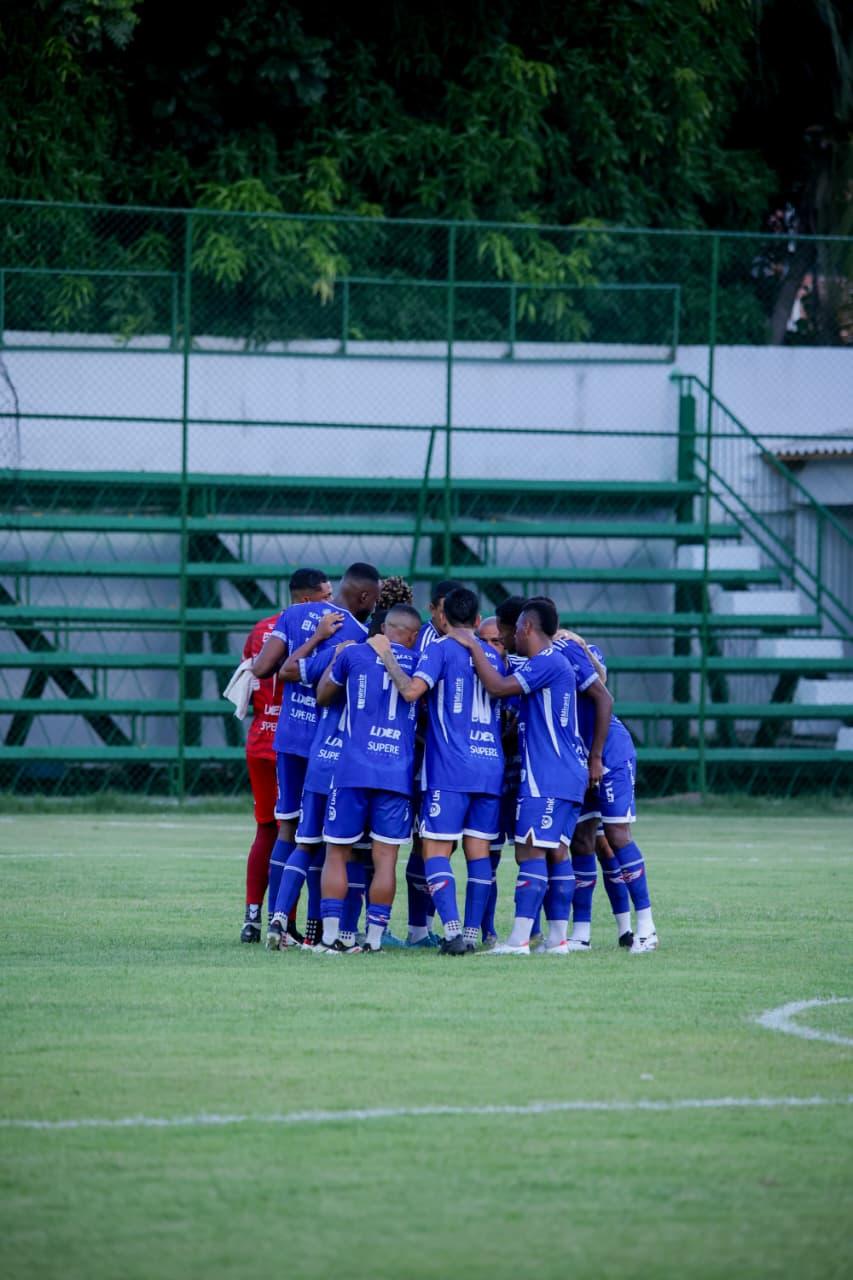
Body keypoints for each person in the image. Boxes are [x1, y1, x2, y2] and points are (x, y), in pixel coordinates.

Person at [445, 597, 591, 955]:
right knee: (557, 852)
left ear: (527, 627)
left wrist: (473, 646)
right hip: (567, 772)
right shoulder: (555, 662)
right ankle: (557, 939)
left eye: (513, 631)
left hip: (547, 774)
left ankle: (518, 940)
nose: (511, 639)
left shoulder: (546, 661)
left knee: (530, 851)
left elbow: (497, 686)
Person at [251, 563, 381, 949]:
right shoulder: (358, 634)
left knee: (288, 830)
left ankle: (278, 922)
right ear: (364, 596)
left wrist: (309, 640)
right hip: (327, 745)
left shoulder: (292, 614)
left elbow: (265, 668)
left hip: (289, 737)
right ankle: (317, 931)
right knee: (328, 841)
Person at [372, 586, 505, 955]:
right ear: (478, 620)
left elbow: (411, 692)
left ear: (442, 618)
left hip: (450, 769)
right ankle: (473, 934)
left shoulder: (439, 649)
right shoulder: (495, 656)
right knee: (479, 852)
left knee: (435, 849)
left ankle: (452, 932)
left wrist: (387, 656)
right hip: (490, 768)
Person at [315, 603, 423, 952]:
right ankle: (375, 939)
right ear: (413, 635)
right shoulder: (421, 662)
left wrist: (337, 657)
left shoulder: (355, 654)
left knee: (337, 853)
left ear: (384, 629)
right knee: (386, 859)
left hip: (353, 769)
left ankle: (331, 937)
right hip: (396, 774)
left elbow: (323, 695)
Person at [238, 568, 332, 943]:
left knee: (269, 829)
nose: (331, 602)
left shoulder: (261, 628)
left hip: (262, 738)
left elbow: (252, 678)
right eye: (326, 595)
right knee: (307, 834)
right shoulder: (329, 627)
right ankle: (294, 923)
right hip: (298, 741)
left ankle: (253, 917)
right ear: (307, 599)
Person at [566, 642, 659, 953]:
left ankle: (645, 927)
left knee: (616, 837)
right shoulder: (544, 658)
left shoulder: (575, 650)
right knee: (582, 840)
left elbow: (601, 681)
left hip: (609, 756)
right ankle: (581, 933)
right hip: (577, 757)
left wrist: (596, 757)